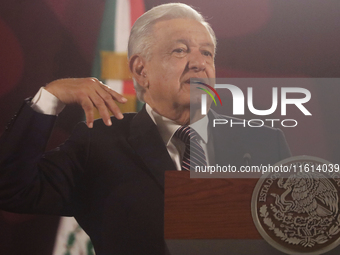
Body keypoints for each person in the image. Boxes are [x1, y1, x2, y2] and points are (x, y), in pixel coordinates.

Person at [0, 3, 291, 255]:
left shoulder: (265, 143)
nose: (199, 64)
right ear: (141, 70)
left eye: (207, 53)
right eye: (180, 50)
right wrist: (49, 98)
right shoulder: (98, 143)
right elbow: (12, 190)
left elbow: (297, 237)